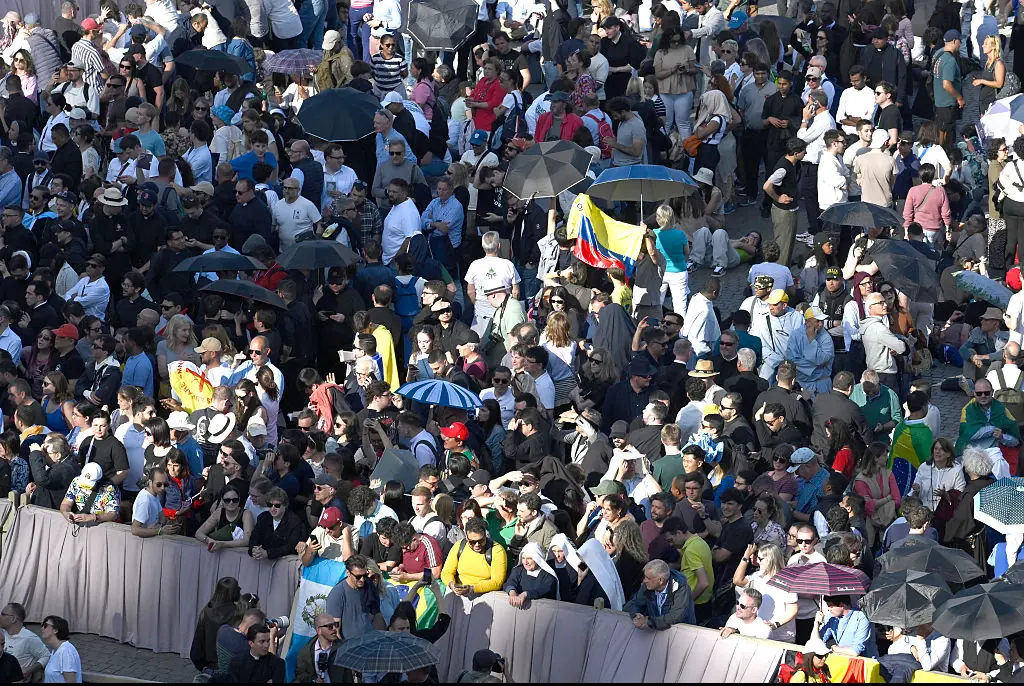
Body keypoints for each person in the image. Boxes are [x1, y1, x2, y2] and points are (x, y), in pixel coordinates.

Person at [624, 559, 696, 629]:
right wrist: (636, 616)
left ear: (661, 580)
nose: (644, 581)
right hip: (656, 631)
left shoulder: (680, 587)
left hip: (680, 633)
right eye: (645, 577)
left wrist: (649, 622)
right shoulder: (647, 586)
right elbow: (633, 604)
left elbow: (675, 616)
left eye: (648, 578)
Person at [0, 602, 48, 682]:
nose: (0, 616)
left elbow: (46, 656)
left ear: (13, 619)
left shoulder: (29, 638)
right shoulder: (2, 633)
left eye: (3, 614)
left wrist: (29, 669)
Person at [40, 616, 81, 683]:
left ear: (56, 630)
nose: (42, 628)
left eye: (45, 625)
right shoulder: (55, 650)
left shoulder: (66, 651)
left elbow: (70, 681)